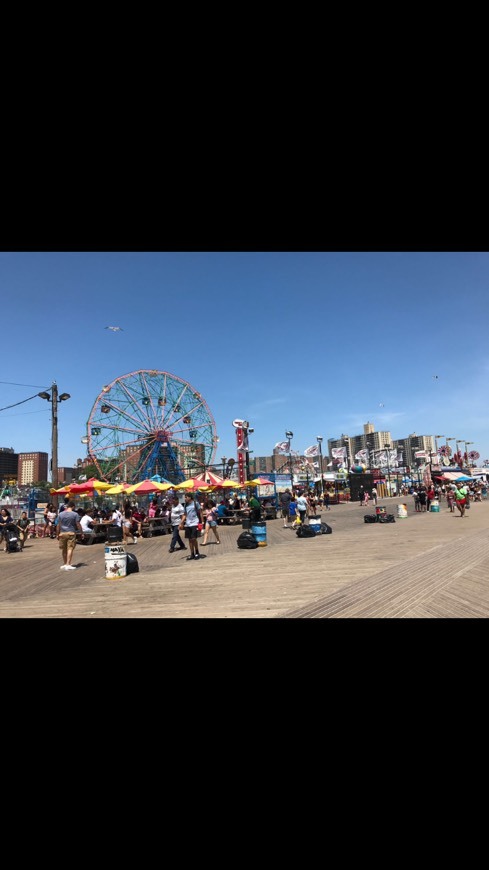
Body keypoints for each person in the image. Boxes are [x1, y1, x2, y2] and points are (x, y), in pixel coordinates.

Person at [57, 501, 83, 569]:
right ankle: (68, 564)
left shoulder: (60, 514)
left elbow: (58, 525)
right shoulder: (75, 514)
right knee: (70, 548)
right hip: (71, 533)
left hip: (62, 533)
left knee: (64, 549)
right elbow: (78, 524)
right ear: (73, 507)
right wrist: (81, 532)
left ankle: (65, 563)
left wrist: (57, 534)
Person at [179, 492, 203, 560]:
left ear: (190, 497)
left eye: (186, 497)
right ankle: (192, 553)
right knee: (189, 539)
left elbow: (200, 512)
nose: (185, 498)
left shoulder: (195, 503)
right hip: (188, 524)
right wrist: (181, 523)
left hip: (195, 523)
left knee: (194, 538)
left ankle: (197, 552)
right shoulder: (185, 505)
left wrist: (202, 522)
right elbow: (185, 514)